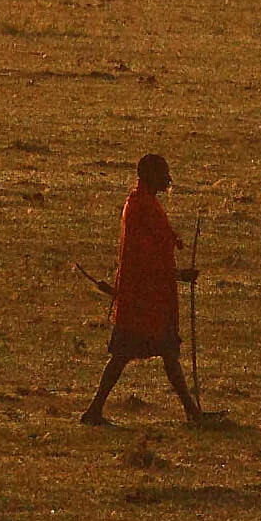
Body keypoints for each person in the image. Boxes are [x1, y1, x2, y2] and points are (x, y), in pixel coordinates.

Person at [82, 153, 203, 426]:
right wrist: (178, 274)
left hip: (151, 298)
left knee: (166, 354)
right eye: (163, 173)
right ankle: (94, 411)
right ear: (150, 176)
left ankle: (192, 413)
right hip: (142, 300)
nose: (167, 178)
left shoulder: (143, 204)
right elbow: (145, 258)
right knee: (124, 356)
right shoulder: (140, 209)